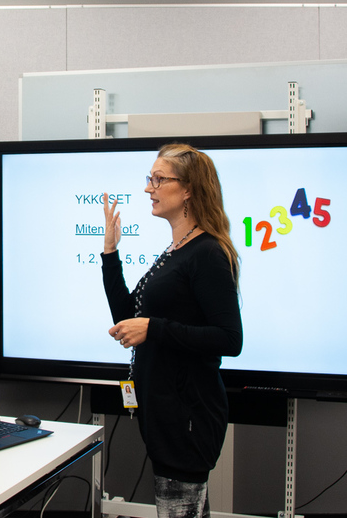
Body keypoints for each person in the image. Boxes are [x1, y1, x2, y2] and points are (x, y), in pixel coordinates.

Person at [100, 143, 243, 518]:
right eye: (150, 179)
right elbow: (127, 315)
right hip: (165, 417)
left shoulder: (208, 253)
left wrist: (155, 328)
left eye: (159, 179)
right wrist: (110, 253)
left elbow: (230, 339)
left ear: (189, 189)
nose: (149, 187)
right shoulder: (176, 250)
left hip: (188, 422)